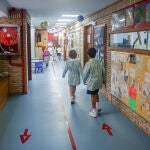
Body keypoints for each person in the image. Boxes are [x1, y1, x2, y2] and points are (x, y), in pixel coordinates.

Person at [83, 47, 105, 117]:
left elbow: (85, 73)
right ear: (95, 54)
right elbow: (103, 71)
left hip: (92, 82)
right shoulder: (100, 62)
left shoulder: (88, 63)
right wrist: (104, 80)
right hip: (99, 81)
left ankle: (94, 111)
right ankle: (98, 106)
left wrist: (84, 80)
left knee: (92, 95)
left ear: (88, 55)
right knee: (96, 93)